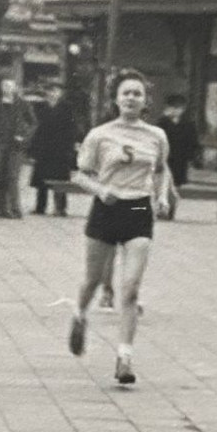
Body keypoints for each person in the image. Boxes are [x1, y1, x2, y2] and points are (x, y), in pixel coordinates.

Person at [66, 70, 171, 386]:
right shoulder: (100, 134)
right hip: (107, 207)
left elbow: (163, 170)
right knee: (93, 281)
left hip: (138, 207)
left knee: (131, 288)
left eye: (137, 94)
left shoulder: (156, 136)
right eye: (126, 93)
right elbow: (78, 174)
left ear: (145, 101)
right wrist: (100, 190)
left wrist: (162, 196)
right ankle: (80, 314)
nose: (131, 98)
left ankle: (124, 357)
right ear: (116, 99)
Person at [30, 82, 82, 216]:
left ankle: (60, 208)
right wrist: (34, 147)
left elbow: (72, 127)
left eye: (55, 91)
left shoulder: (67, 107)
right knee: (42, 178)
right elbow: (36, 127)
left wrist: (71, 145)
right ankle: (40, 207)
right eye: (50, 91)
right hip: (44, 147)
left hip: (60, 148)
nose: (52, 94)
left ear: (60, 93)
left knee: (60, 179)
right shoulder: (40, 106)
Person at [0, 77, 37, 219]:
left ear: (15, 88)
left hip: (16, 145)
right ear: (1, 87)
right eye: (4, 85)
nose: (7, 88)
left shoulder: (23, 104)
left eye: (10, 85)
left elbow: (33, 123)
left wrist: (23, 136)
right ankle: (1, 209)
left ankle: (15, 209)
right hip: (0, 144)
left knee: (12, 177)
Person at [156, 93, 201, 220]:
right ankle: (162, 209)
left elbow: (193, 142)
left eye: (179, 108)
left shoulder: (188, 124)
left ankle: (171, 211)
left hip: (180, 161)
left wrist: (192, 157)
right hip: (165, 160)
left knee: (175, 187)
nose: (176, 110)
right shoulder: (162, 123)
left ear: (183, 109)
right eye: (173, 107)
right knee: (162, 185)